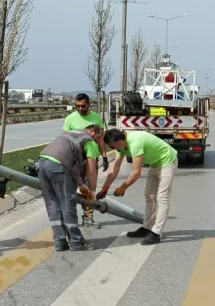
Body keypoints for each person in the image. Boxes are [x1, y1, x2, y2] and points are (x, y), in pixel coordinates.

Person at [97, 129, 178, 245]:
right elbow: (115, 168)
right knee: (149, 196)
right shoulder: (121, 146)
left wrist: (123, 187)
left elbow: (136, 173)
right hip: (156, 163)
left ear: (119, 141)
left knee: (162, 197)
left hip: (168, 161)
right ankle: (147, 227)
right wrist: (105, 188)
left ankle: (156, 233)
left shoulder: (135, 143)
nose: (113, 149)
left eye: (113, 146)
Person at [36, 124, 103, 251]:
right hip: (58, 166)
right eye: (98, 138)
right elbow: (92, 171)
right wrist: (92, 195)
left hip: (42, 163)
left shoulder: (72, 134)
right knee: (68, 203)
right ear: (93, 132)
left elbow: (74, 169)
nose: (98, 142)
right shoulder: (89, 141)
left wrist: (82, 187)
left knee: (52, 203)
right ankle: (76, 241)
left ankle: (60, 241)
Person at [63, 93, 109, 229]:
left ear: (89, 104)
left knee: (89, 188)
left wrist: (104, 156)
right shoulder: (70, 119)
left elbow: (100, 139)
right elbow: (65, 140)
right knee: (72, 188)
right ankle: (70, 220)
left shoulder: (96, 118)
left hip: (91, 158)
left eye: (83, 106)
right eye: (77, 106)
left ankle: (88, 217)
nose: (80, 108)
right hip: (75, 159)